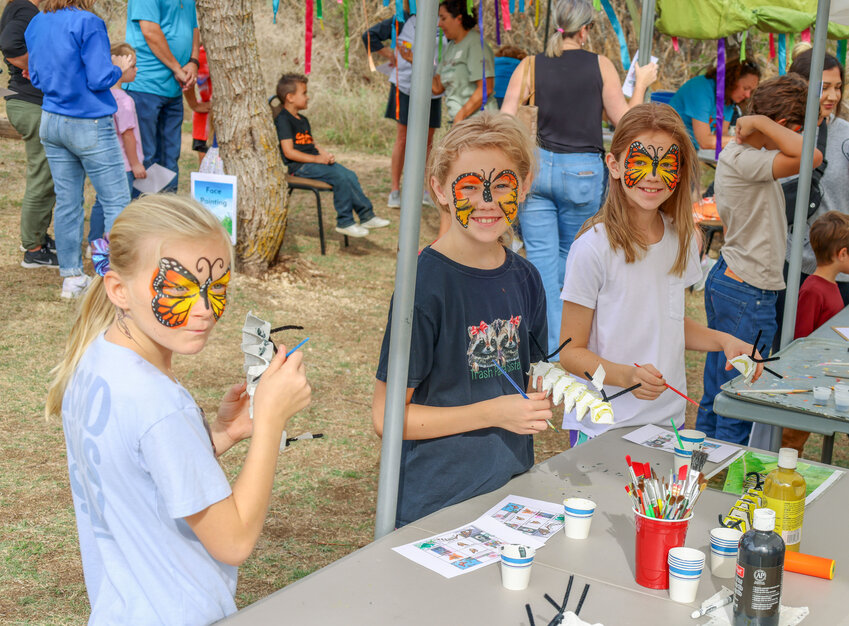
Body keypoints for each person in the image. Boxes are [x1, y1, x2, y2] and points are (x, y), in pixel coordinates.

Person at [45, 194, 311, 622]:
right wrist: (271, 423)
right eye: (177, 289)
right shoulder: (159, 404)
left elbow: (138, 470)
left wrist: (220, 436)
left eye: (216, 287)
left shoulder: (94, 359)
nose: (205, 309)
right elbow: (235, 540)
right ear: (119, 290)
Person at [372, 113, 552, 528]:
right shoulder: (424, 285)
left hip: (510, 490)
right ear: (440, 189)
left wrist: (554, 391)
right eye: (469, 186)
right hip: (436, 504)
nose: (487, 202)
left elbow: (533, 378)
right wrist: (495, 412)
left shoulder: (526, 278)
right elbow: (386, 418)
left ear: (523, 187)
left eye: (503, 185)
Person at [558, 103, 759, 446]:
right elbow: (569, 352)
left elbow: (669, 320)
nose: (653, 176)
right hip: (606, 425)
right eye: (640, 163)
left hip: (668, 423)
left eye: (666, 164)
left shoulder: (684, 238)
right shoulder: (592, 248)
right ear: (615, 165)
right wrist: (627, 377)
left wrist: (723, 340)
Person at [501, 0, 657, 355]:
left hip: (536, 169)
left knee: (540, 261)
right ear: (586, 29)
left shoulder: (529, 65)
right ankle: (568, 347)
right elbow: (625, 121)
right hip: (583, 173)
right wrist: (642, 85)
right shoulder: (600, 65)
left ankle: (543, 346)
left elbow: (507, 117)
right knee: (573, 264)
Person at [696, 75, 822, 445]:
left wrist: (761, 125)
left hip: (738, 284)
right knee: (737, 394)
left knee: (719, 387)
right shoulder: (744, 158)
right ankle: (724, 470)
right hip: (747, 291)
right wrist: (763, 124)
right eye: (797, 129)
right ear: (785, 127)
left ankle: (703, 463)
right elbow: (812, 154)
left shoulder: (746, 157)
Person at [25, 0, 133, 299]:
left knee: (68, 202)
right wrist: (118, 69)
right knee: (117, 201)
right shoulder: (88, 22)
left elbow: (34, 77)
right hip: (88, 122)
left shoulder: (37, 22)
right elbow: (100, 78)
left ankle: (72, 278)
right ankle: (115, 275)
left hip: (51, 119)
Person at [272, 73, 390, 239]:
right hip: (299, 167)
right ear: (290, 97)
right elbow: (288, 152)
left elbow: (310, 144)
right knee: (339, 177)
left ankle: (366, 216)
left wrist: (324, 154)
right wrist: (316, 159)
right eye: (304, 93)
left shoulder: (303, 119)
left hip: (314, 163)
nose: (308, 97)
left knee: (349, 175)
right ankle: (345, 222)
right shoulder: (283, 119)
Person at [782, 212, 849, 455]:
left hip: (825, 373)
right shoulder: (813, 290)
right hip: (806, 380)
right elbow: (801, 339)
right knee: (793, 437)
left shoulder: (831, 286)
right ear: (841, 254)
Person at [361, 7, 441, 209]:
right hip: (404, 85)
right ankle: (395, 190)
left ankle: (427, 190)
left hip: (433, 88)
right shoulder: (403, 19)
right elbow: (368, 36)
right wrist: (388, 53)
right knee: (403, 137)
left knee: (428, 141)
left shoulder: (444, 18)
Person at [0, 0, 57, 269]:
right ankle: (33, 250)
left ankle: (38, 237)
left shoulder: (19, 8)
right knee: (42, 174)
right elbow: (10, 45)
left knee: (46, 173)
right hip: (30, 102)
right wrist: (37, 67)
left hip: (23, 100)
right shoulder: (26, 8)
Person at [125, 0, 200, 191]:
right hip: (145, 85)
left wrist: (193, 61)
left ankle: (166, 211)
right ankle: (144, 213)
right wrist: (177, 67)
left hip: (174, 88)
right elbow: (150, 30)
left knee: (169, 157)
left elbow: (194, 27)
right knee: (146, 157)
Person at [88, 43, 147, 244]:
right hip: (124, 165)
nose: (136, 69)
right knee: (120, 204)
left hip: (104, 160)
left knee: (101, 201)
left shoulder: (99, 96)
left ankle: (94, 241)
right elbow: (128, 135)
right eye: (133, 66)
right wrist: (135, 164)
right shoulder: (124, 101)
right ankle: (113, 244)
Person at [669, 56, 761, 150]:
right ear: (731, 80)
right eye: (745, 88)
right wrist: (744, 140)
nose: (748, 95)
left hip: (691, 148)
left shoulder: (729, 98)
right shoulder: (701, 89)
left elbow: (722, 134)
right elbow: (705, 142)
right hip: (669, 144)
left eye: (751, 91)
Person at [433, 0, 497, 126]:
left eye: (443, 18)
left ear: (458, 18)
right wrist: (415, 62)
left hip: (481, 124)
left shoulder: (475, 44)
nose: (439, 24)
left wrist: (460, 117)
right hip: (462, 123)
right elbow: (437, 88)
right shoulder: (451, 47)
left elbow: (486, 88)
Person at [185, 44, 212, 166]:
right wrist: (194, 104)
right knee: (207, 170)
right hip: (206, 122)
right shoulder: (202, 53)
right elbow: (188, 78)